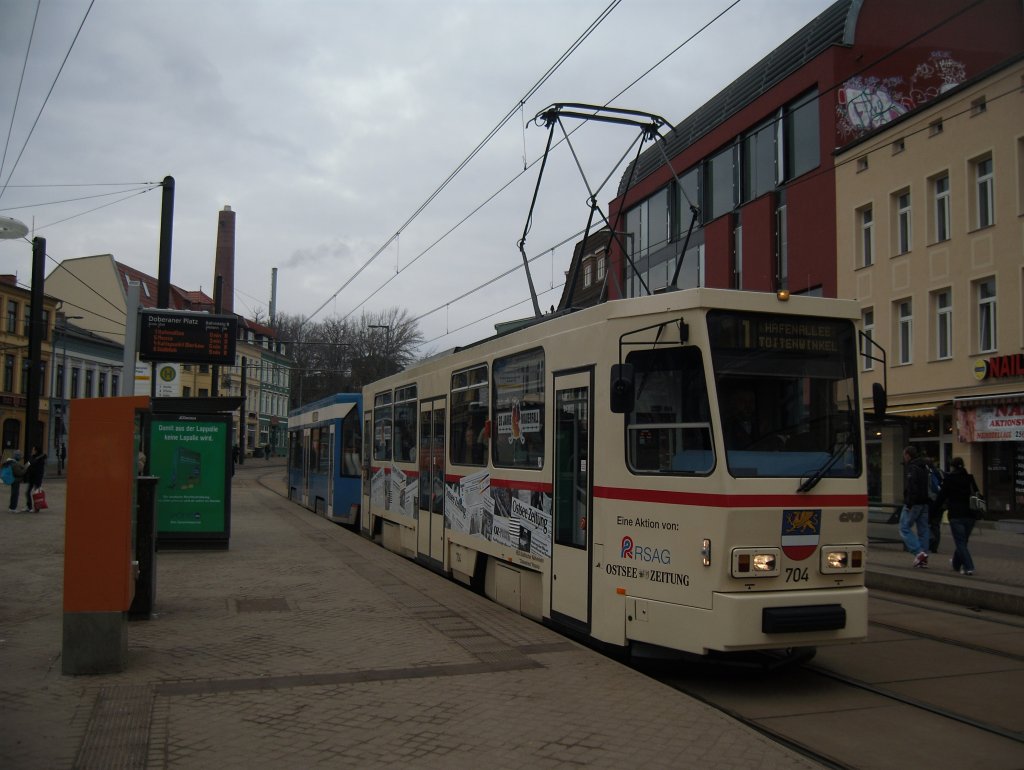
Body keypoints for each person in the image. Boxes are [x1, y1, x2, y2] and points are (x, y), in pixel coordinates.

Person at [936, 457, 979, 576]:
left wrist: (934, 510)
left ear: (952, 467)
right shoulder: (969, 478)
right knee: (963, 542)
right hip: (970, 516)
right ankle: (956, 564)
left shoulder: (949, 479)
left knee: (960, 542)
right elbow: (977, 494)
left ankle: (968, 567)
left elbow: (941, 497)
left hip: (956, 515)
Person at [899, 445, 931, 568]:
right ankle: (923, 558)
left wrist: (909, 503)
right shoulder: (924, 467)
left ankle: (919, 553)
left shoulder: (912, 468)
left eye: (904, 455)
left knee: (904, 528)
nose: (904, 458)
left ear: (908, 455)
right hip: (924, 502)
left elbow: (912, 487)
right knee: (923, 530)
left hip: (914, 503)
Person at [24, 445, 47, 513]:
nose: (32, 451)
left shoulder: (40, 459)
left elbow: (38, 470)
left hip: (36, 478)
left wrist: (28, 467)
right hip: (31, 477)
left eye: (33, 450)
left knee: (36, 494)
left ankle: (37, 508)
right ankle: (29, 506)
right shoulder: (33, 457)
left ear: (36, 451)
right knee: (27, 492)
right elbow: (27, 465)